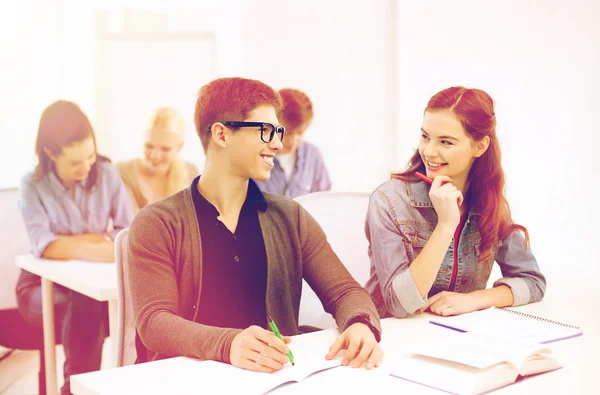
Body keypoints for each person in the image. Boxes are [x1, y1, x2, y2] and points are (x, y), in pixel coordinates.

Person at [126, 77, 383, 373]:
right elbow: (155, 322)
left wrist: (360, 323)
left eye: (278, 131)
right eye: (265, 131)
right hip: (184, 381)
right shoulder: (157, 223)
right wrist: (228, 344)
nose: (276, 143)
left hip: (273, 379)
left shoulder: (291, 217)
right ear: (221, 135)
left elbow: (345, 292)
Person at [365, 86, 546, 319]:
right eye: (425, 137)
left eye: (446, 142)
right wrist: (446, 224)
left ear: (480, 146)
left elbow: (533, 282)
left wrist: (474, 300)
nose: (429, 151)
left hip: (457, 336)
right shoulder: (388, 201)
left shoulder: (489, 201)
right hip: (390, 336)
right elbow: (399, 305)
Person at [16, 100, 134, 394]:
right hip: (39, 288)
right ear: (50, 153)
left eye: (90, 156)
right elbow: (44, 246)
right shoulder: (32, 184)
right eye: (74, 162)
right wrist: (95, 241)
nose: (86, 167)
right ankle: (77, 387)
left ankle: (82, 387)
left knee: (108, 302)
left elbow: (126, 235)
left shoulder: (107, 174)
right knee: (85, 303)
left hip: (93, 286)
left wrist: (69, 244)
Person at [116, 107, 199, 213]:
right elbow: (130, 224)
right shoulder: (124, 172)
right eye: (149, 146)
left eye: (165, 149)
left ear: (179, 147)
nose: (155, 155)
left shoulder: (191, 173)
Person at [255, 88, 331, 198]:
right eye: (287, 133)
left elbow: (324, 201)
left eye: (300, 133)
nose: (293, 142)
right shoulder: (254, 156)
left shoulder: (312, 155)